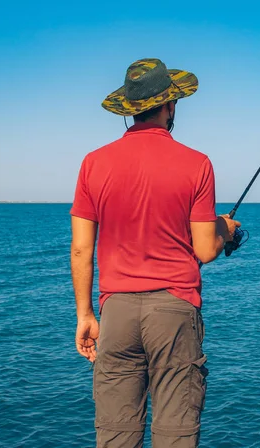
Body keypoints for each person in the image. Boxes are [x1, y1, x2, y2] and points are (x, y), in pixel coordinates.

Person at [70, 58, 241, 448]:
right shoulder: (197, 164)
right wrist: (225, 229)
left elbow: (82, 249)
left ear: (129, 110)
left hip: (116, 314)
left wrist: (85, 314)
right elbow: (205, 249)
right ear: (171, 106)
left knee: (115, 435)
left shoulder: (93, 163)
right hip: (175, 312)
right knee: (175, 434)